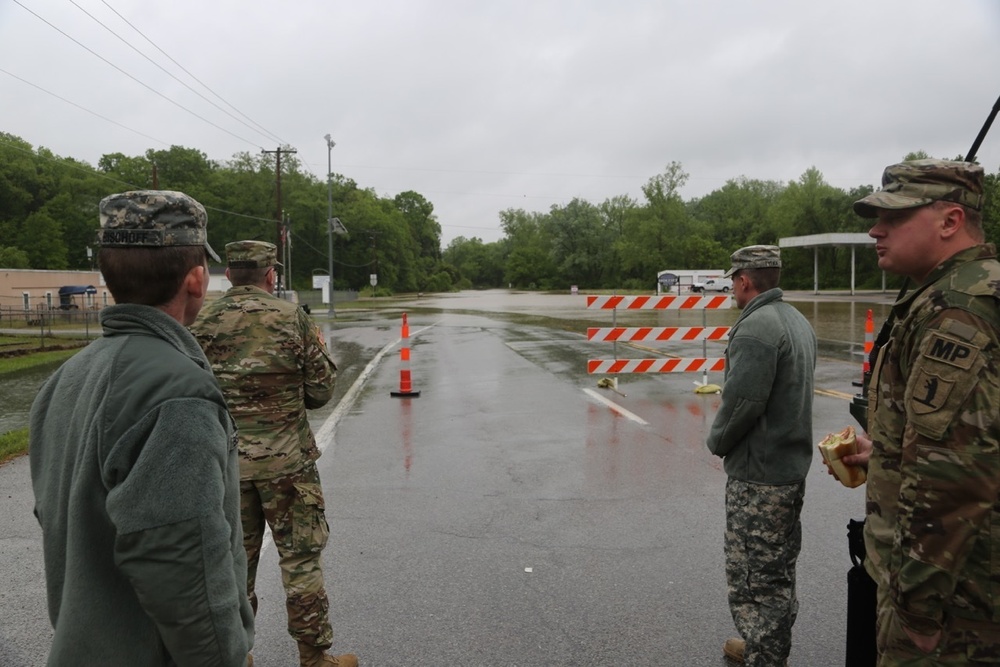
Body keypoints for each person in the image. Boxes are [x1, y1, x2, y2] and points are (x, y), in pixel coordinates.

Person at [28, 190, 255, 666]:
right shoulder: (177, 394)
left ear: (109, 277)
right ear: (197, 280)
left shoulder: (64, 380)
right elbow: (182, 565)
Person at [843, 159, 1000, 664]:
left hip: (956, 602)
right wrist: (886, 453)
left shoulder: (956, 311)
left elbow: (953, 480)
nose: (875, 230)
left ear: (950, 221)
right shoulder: (958, 293)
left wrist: (918, 608)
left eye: (893, 217)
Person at [190, 241, 357, 667]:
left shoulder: (200, 320)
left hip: (226, 466)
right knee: (301, 561)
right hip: (288, 466)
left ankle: (236, 656)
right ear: (271, 275)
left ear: (228, 274)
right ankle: (315, 658)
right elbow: (320, 393)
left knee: (232, 566)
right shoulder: (291, 319)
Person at [706, 245, 818, 666]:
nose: (733, 286)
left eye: (734, 279)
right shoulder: (795, 320)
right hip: (787, 470)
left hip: (760, 477)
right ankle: (762, 646)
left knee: (754, 580)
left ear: (744, 280)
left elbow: (742, 403)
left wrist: (716, 442)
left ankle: (765, 656)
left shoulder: (757, 327)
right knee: (778, 569)